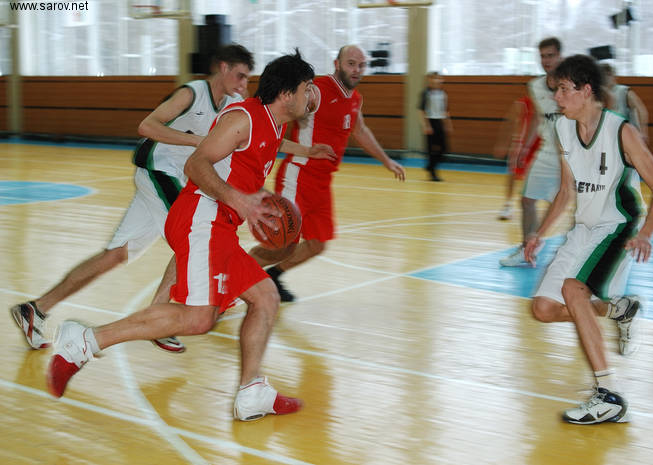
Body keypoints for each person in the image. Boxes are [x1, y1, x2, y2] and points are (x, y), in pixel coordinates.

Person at [46, 50, 332, 422]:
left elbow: (252, 160)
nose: (311, 95)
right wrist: (238, 200)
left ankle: (252, 392)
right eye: (307, 87)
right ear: (286, 93)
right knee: (199, 319)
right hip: (201, 216)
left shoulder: (274, 125)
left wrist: (262, 193)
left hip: (220, 226)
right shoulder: (242, 118)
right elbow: (197, 164)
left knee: (266, 297)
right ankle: (83, 342)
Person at [10, 44, 255, 354]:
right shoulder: (192, 93)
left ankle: (36, 309)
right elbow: (146, 126)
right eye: (240, 76)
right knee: (196, 234)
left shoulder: (233, 104)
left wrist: (304, 151)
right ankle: (160, 317)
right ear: (223, 68)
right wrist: (195, 140)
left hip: (175, 179)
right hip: (157, 171)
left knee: (116, 255)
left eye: (247, 79)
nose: (244, 84)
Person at [523, 54, 653, 424]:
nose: (556, 97)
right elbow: (566, 191)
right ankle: (618, 308)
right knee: (543, 309)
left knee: (573, 290)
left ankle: (608, 395)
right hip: (584, 228)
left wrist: (646, 234)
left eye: (563, 90)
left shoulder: (621, 131)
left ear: (585, 90)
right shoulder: (563, 128)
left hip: (618, 226)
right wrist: (539, 233)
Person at [248, 44, 406, 303]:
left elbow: (360, 130)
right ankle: (231, 280)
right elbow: (284, 108)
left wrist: (386, 160)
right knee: (281, 243)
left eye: (361, 65)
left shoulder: (355, 99)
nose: (356, 70)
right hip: (299, 175)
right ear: (337, 64)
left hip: (322, 183)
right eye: (351, 63)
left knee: (317, 244)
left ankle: (274, 276)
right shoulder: (317, 90)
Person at [500, 37, 563, 266]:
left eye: (551, 55)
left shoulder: (573, 83)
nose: (546, 60)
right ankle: (527, 250)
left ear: (560, 56)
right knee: (527, 200)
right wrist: (525, 147)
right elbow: (538, 117)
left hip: (572, 154)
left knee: (572, 207)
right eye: (543, 56)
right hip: (547, 151)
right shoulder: (535, 86)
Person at [493, 95, 540, 220]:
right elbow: (510, 121)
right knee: (513, 173)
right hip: (522, 141)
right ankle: (508, 205)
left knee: (538, 176)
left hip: (542, 143)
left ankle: (534, 206)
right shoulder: (522, 103)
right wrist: (503, 142)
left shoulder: (552, 101)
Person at [600, 63, 649, 143]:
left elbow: (641, 110)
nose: (606, 78)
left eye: (608, 74)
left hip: (629, 137)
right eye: (603, 75)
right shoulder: (601, 94)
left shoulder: (624, 91)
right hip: (612, 137)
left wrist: (644, 131)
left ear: (614, 76)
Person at [418, 71, 453, 182]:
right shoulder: (426, 93)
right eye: (433, 78)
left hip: (439, 122)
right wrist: (426, 125)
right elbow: (421, 111)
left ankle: (430, 166)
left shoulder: (443, 94)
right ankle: (433, 173)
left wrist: (448, 124)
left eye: (438, 78)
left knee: (444, 149)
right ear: (429, 80)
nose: (436, 80)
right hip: (430, 121)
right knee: (431, 150)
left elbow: (445, 111)